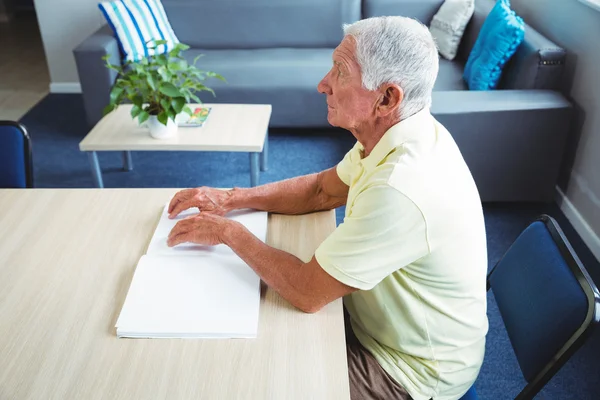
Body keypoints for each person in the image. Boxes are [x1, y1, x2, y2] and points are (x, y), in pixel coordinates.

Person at [166, 16, 488, 400]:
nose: (323, 84)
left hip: (407, 371)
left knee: (251, 377)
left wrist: (227, 232)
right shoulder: (392, 134)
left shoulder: (401, 186)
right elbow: (321, 190)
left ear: (387, 98)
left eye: (340, 72)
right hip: (374, 322)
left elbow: (306, 292)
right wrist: (232, 198)